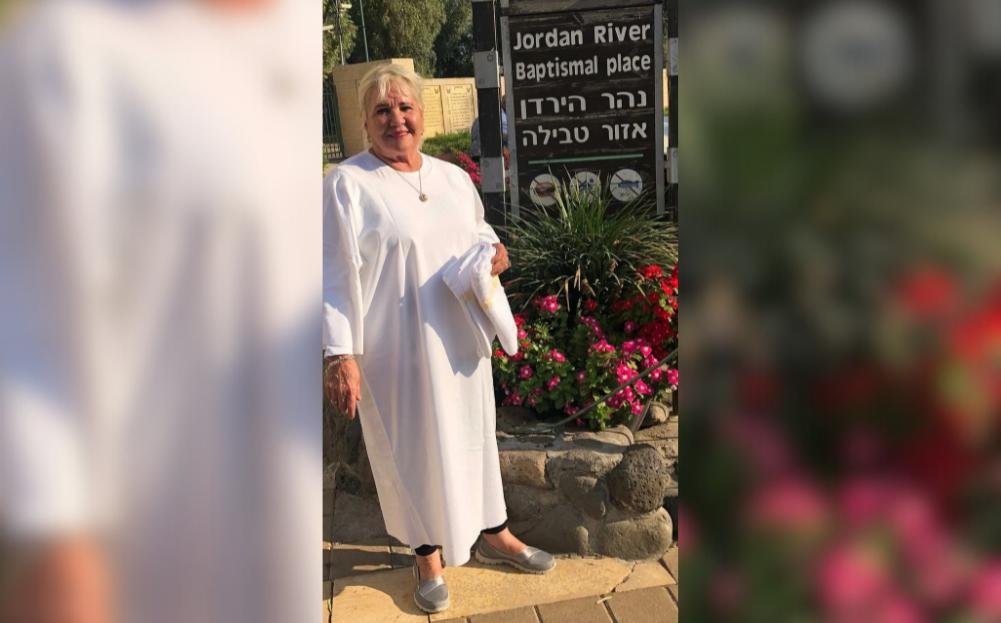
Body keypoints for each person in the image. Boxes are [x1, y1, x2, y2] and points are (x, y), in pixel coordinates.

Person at [323, 64, 554, 615]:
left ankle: (495, 533)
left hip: (459, 342)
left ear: (421, 115)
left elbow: (478, 233)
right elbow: (334, 275)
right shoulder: (347, 185)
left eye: (405, 107)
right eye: (382, 110)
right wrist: (339, 354)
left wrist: (496, 251)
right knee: (413, 449)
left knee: (474, 436)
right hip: (395, 349)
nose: (396, 119)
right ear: (365, 122)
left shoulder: (451, 177)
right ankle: (427, 555)